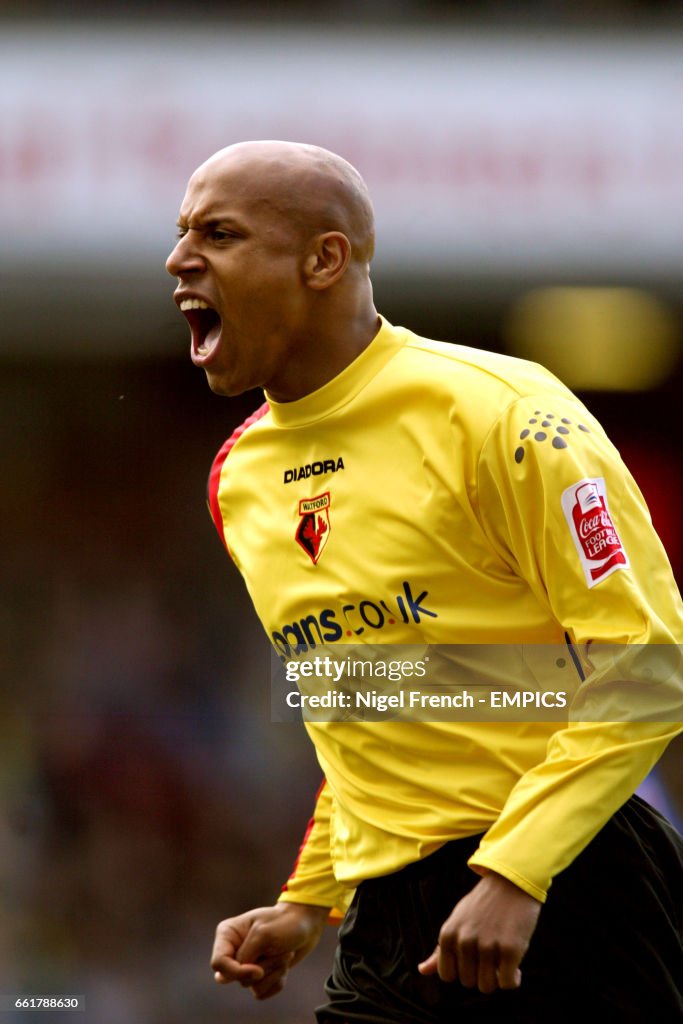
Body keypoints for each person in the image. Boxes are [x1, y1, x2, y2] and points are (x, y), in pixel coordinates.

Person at [166, 140, 683, 1023]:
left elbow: (647, 664)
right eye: (179, 234)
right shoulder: (237, 476)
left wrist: (515, 873)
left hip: (576, 883)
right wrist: (310, 898)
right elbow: (368, 699)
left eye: (218, 233)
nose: (179, 258)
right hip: (392, 915)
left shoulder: (502, 412)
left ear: (323, 259)